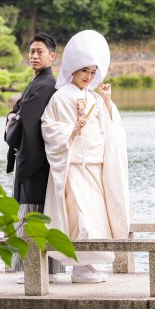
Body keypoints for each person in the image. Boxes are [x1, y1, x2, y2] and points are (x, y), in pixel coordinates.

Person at [41, 30, 130, 283]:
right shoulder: (60, 96)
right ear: (73, 70)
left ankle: (88, 265)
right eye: (84, 72)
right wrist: (71, 130)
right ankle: (78, 267)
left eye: (92, 72)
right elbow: (48, 127)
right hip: (73, 165)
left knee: (96, 217)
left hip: (94, 163)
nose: (88, 77)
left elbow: (111, 128)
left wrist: (107, 100)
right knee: (81, 217)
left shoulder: (94, 98)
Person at [5, 32, 65, 280]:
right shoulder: (41, 82)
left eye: (40, 52)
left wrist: (11, 121)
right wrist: (14, 117)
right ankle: (45, 270)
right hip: (40, 158)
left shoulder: (45, 85)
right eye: (31, 51)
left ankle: (36, 271)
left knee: (34, 212)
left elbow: (25, 120)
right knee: (41, 212)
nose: (34, 56)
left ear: (52, 56)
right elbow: (20, 114)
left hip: (36, 159)